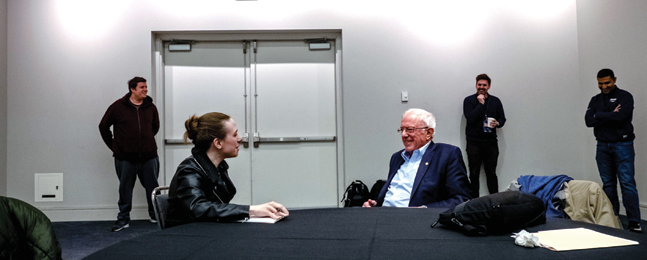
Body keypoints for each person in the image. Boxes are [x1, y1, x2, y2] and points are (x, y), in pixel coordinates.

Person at [166, 112, 289, 227]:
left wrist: (254, 211)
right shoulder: (189, 171)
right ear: (218, 143)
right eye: (235, 134)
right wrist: (252, 210)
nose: (239, 139)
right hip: (185, 236)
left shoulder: (218, 166)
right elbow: (198, 209)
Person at [363, 109, 471, 208]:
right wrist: (376, 205)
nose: (404, 135)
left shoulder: (447, 154)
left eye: (409, 129)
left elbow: (461, 199)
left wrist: (424, 210)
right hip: (382, 217)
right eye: (402, 130)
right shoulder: (396, 157)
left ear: (429, 133)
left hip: (415, 222)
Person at [99, 76, 160, 232]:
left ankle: (156, 216)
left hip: (149, 157)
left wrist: (145, 142)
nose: (145, 89)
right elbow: (103, 127)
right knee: (125, 189)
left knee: (152, 188)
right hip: (125, 159)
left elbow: (155, 127)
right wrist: (116, 147)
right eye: (142, 87)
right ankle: (123, 219)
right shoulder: (117, 107)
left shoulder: (151, 107)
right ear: (132, 89)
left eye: (146, 87)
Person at [585, 68, 641, 233]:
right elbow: (588, 121)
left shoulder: (625, 97)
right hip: (602, 145)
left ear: (614, 80)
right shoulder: (595, 99)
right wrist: (609, 114)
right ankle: (612, 220)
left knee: (627, 184)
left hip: (622, 145)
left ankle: (634, 223)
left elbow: (621, 117)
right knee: (608, 185)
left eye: (607, 83)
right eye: (600, 83)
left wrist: (599, 116)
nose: (603, 86)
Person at [463, 73, 506, 198]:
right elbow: (470, 119)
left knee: (491, 173)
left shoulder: (495, 101)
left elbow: (502, 118)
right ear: (476, 85)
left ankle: (495, 201)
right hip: (473, 143)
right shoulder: (469, 100)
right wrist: (480, 104)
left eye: (484, 85)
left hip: (491, 143)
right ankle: (474, 202)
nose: (481, 87)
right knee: (474, 174)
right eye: (479, 84)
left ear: (489, 86)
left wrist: (497, 123)